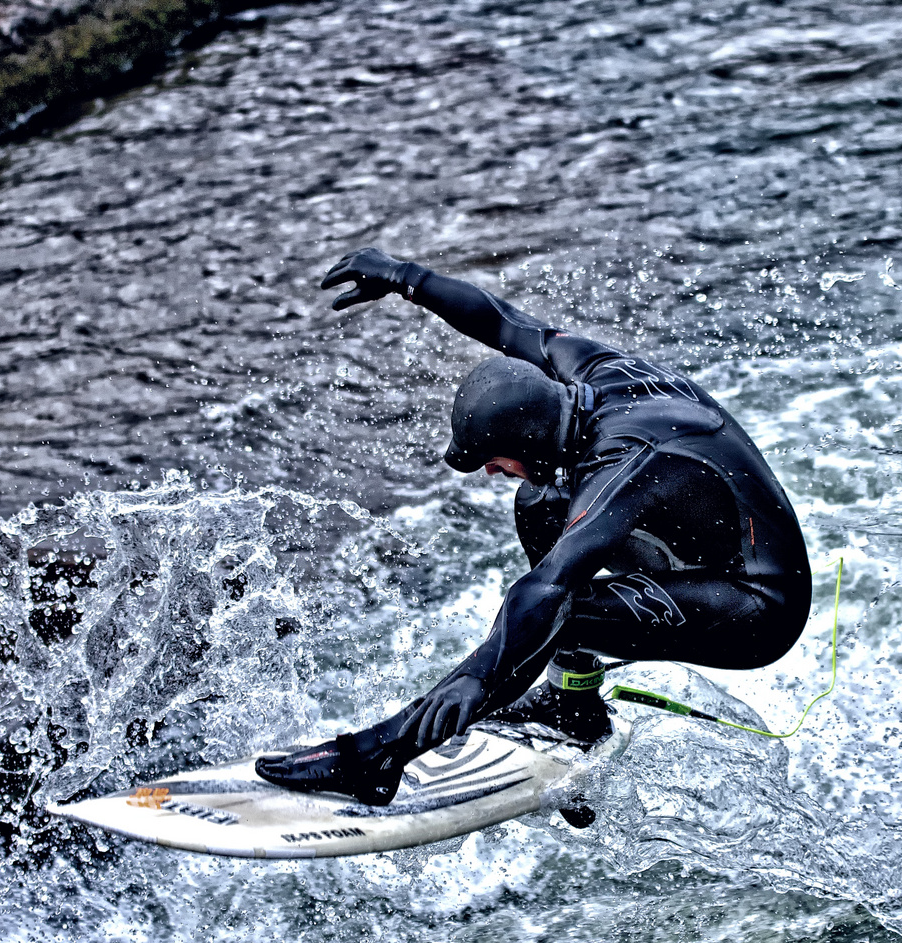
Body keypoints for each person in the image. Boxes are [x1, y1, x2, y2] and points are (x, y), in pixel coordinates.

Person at [256, 249, 810, 805]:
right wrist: (406, 279)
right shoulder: (591, 374)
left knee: (556, 612)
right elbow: (501, 322)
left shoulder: (624, 461)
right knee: (539, 501)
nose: (492, 472)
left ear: (527, 440)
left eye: (496, 459)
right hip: (691, 552)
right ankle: (576, 705)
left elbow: (546, 589)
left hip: (757, 605)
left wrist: (467, 688)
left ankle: (372, 762)